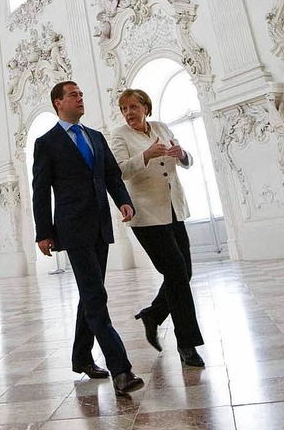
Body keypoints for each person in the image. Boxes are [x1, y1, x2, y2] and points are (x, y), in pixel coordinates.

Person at [32, 80, 144, 396]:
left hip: (100, 227)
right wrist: (44, 232)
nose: (80, 98)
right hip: (72, 228)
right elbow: (40, 190)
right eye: (73, 95)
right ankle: (122, 370)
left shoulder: (95, 137)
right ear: (58, 103)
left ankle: (81, 357)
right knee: (96, 295)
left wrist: (124, 199)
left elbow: (111, 175)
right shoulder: (47, 142)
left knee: (91, 292)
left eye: (81, 94)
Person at [111, 88, 205, 367]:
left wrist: (182, 153)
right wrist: (147, 155)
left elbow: (185, 161)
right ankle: (187, 344)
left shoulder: (162, 127)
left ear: (145, 108)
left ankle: (153, 315)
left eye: (134, 107)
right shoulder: (119, 135)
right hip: (147, 215)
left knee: (183, 272)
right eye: (125, 108)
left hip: (174, 208)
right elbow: (118, 171)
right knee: (175, 272)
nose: (129, 113)